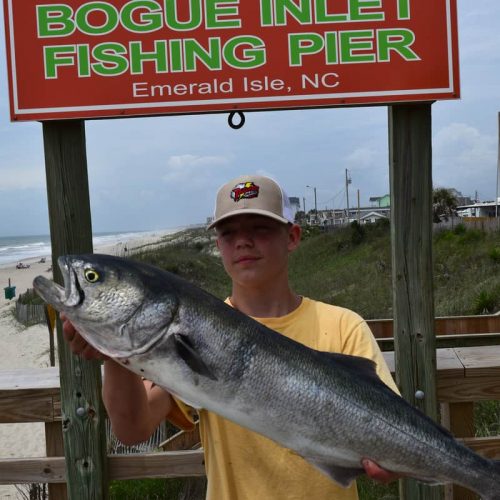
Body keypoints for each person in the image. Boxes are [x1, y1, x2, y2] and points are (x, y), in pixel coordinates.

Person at [62, 174, 400, 499]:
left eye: (261, 229)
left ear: (293, 236)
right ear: (218, 245)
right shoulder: (197, 329)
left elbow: (394, 424)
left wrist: (397, 458)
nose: (243, 241)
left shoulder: (344, 325)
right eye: (228, 232)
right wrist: (115, 356)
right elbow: (133, 429)